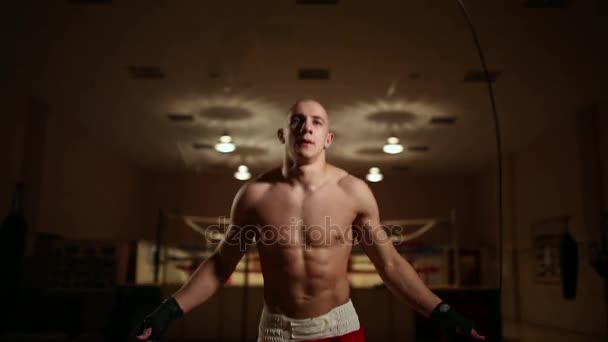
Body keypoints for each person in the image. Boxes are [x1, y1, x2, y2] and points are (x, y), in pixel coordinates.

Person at [134, 99, 486, 341]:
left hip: (340, 329)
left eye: (317, 122)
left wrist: (443, 313)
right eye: (297, 120)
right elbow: (220, 265)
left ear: (327, 138)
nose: (307, 127)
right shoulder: (254, 196)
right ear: (283, 135)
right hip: (277, 332)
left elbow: (391, 266)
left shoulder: (354, 192)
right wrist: (167, 312)